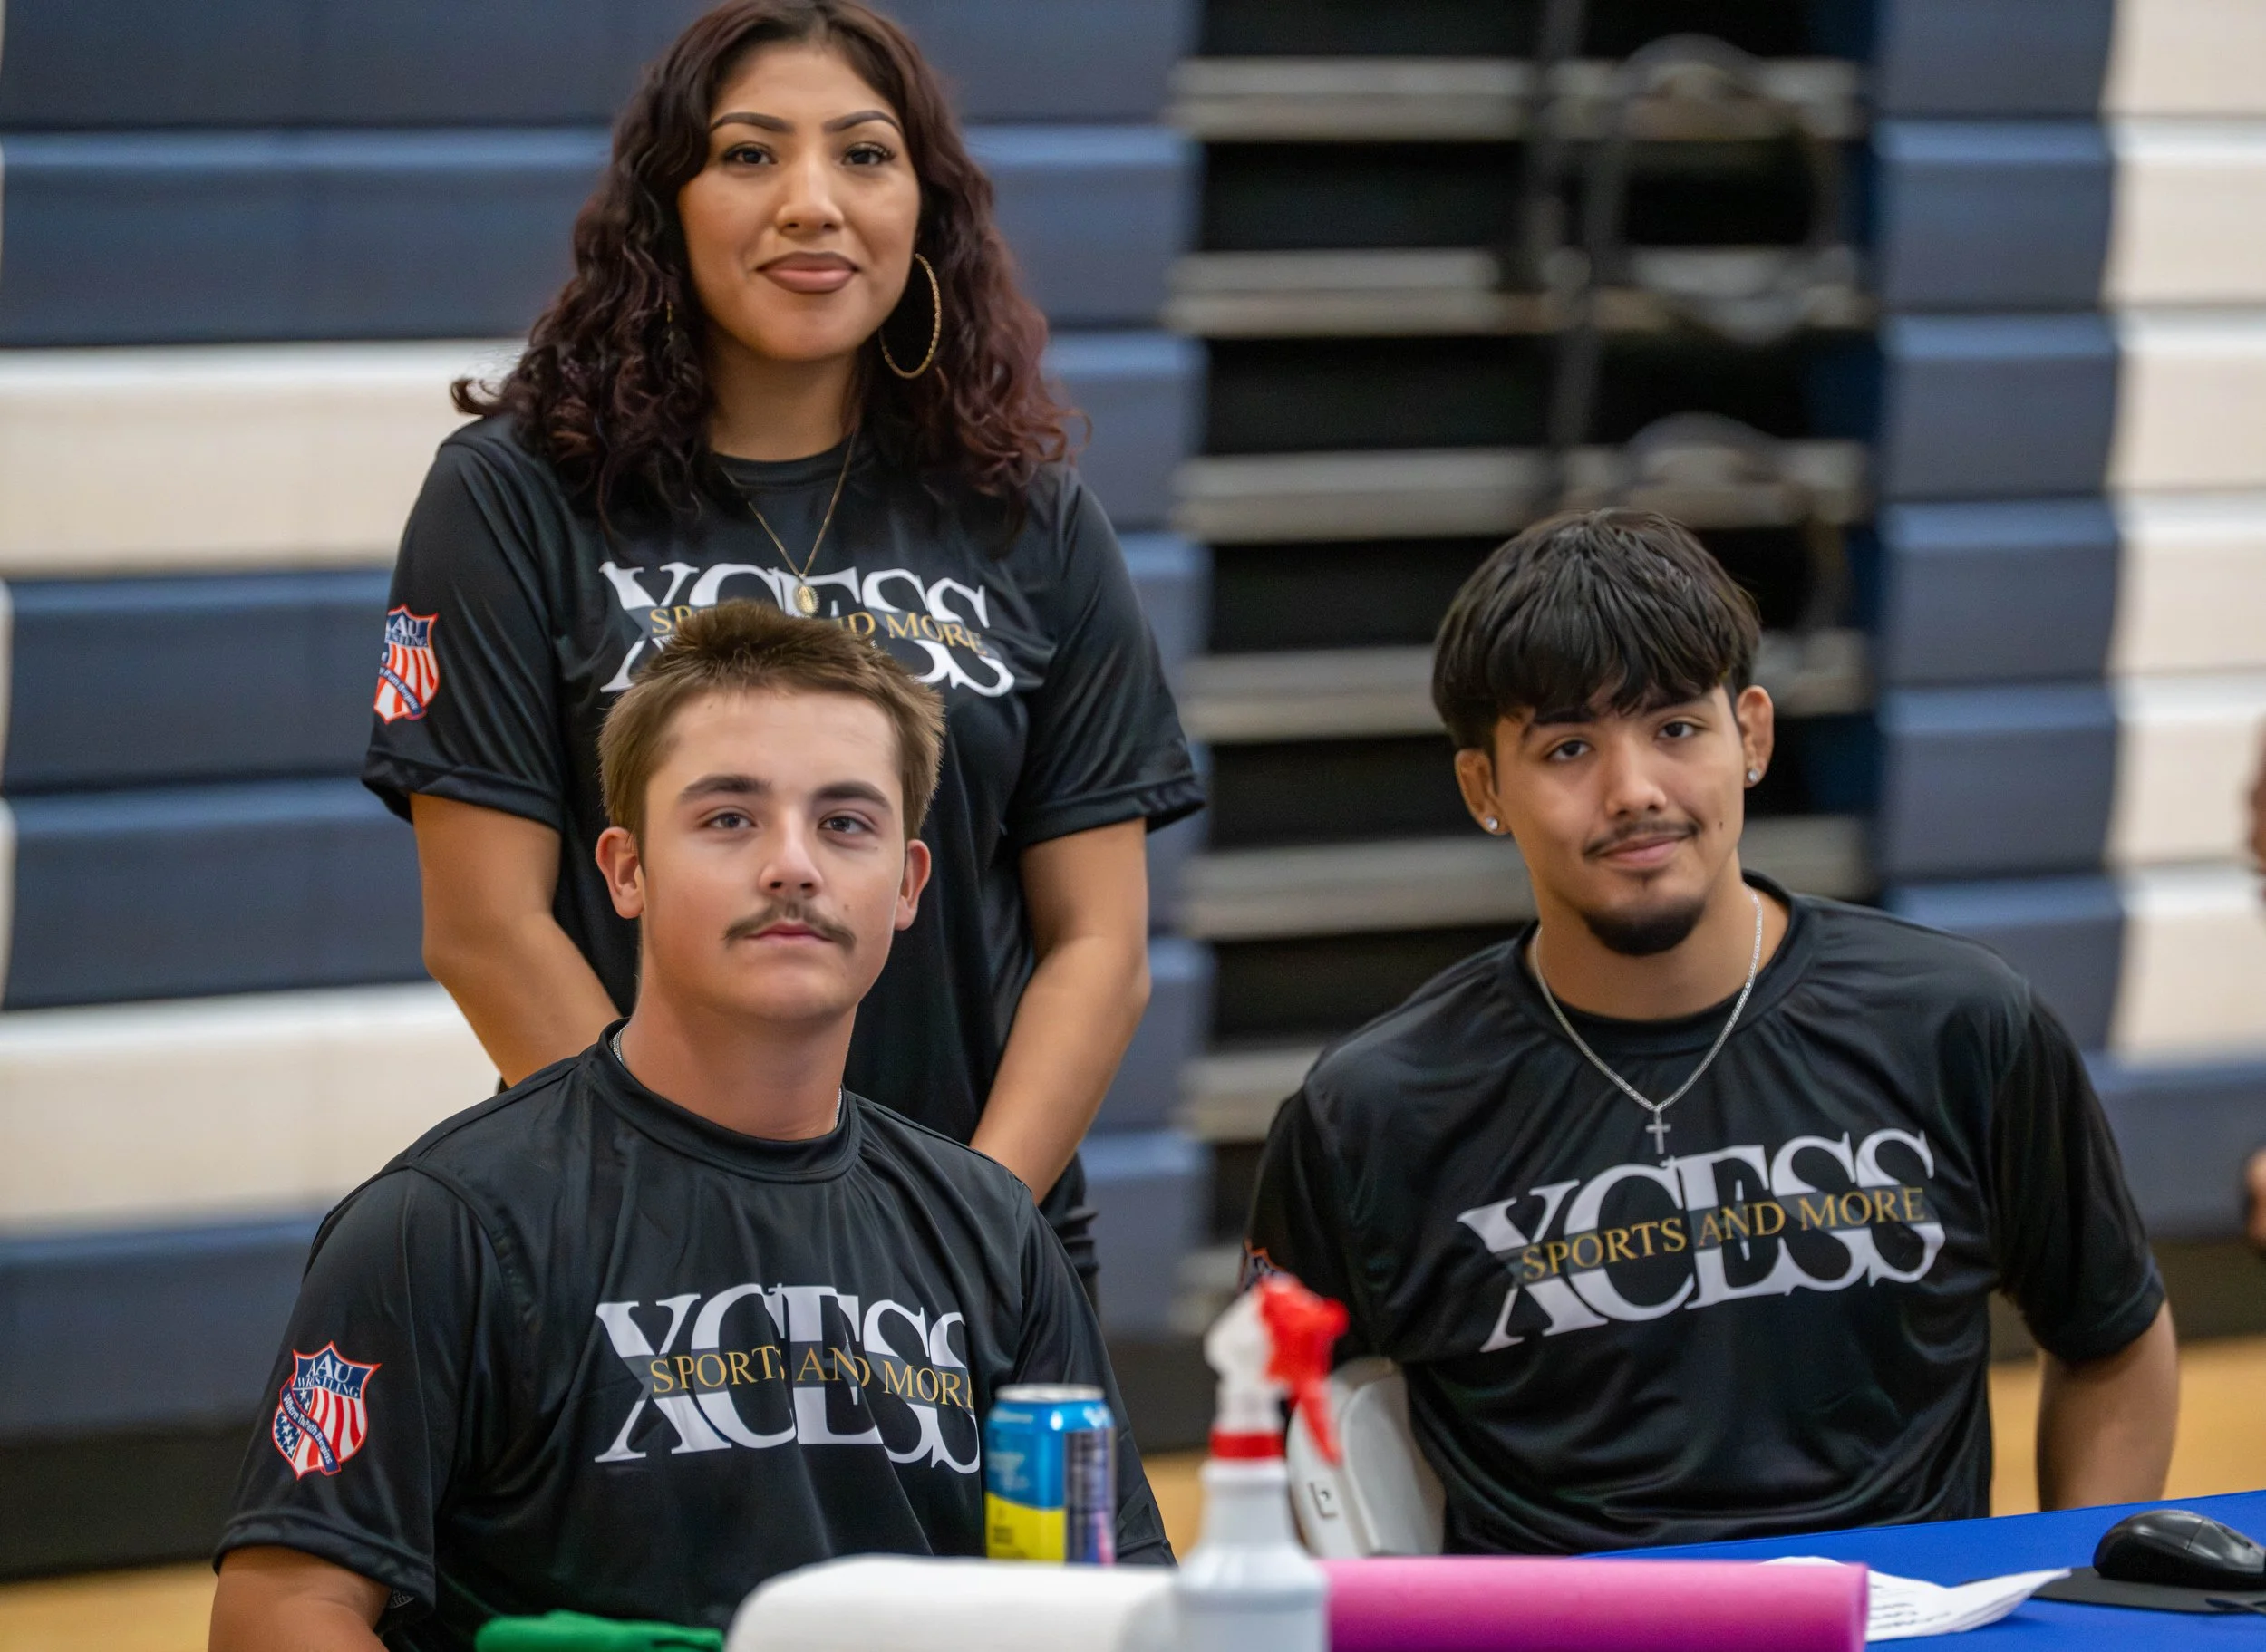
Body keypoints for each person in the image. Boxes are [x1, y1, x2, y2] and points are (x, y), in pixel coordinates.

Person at [365, 0, 1201, 1289]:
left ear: (926, 207)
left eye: (864, 155)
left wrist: (961, 1219)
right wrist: (694, 1206)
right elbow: (484, 925)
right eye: (751, 154)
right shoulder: (513, 498)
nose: (813, 202)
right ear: (667, 205)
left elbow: (1098, 941)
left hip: (974, 1260)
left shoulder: (1027, 516)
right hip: (629, 1250)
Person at [214, 604, 1170, 1652]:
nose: (792, 865)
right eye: (729, 818)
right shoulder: (441, 1227)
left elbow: (1112, 1595)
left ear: (905, 885)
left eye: (845, 822)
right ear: (625, 869)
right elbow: (283, 1613)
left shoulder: (994, 1229)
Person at [1245, 509, 2179, 1554]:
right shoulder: (1369, 1114)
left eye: (1676, 728)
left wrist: (2067, 1590)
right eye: (1566, 747)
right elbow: (1284, 1452)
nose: (1634, 789)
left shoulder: (1958, 1022)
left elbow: (2110, 1337)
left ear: (1754, 737)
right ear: (1484, 789)